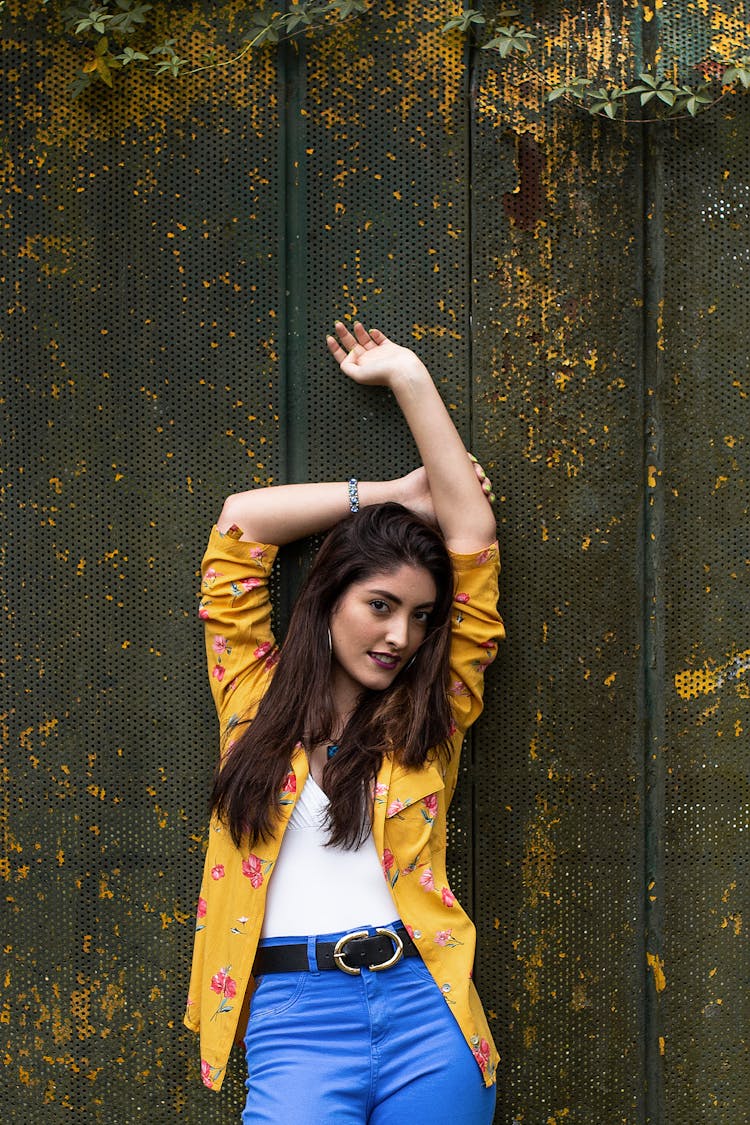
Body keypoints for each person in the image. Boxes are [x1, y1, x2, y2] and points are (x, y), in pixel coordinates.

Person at [184, 321, 504, 1124]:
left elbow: (472, 538)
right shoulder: (251, 699)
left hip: (426, 1011)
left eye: (421, 616)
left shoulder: (433, 717)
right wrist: (394, 493)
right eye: (380, 605)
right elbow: (240, 526)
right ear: (329, 599)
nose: (400, 635)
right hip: (293, 1020)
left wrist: (411, 378)